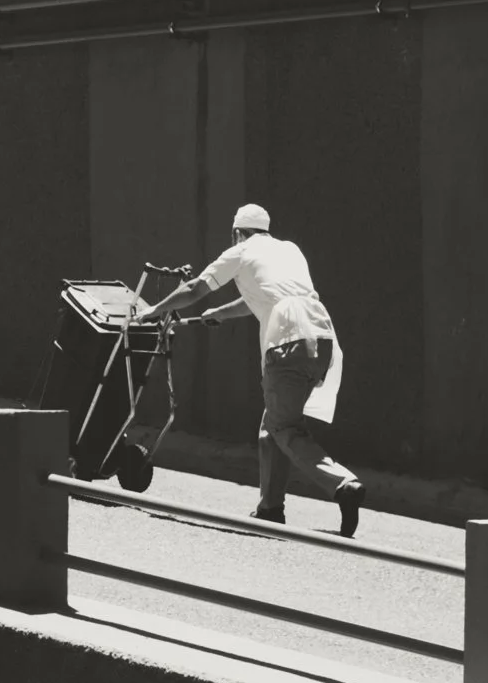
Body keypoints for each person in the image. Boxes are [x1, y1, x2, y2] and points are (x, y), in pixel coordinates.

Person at [133, 204, 367, 537]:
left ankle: (343, 484)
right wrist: (221, 313)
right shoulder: (289, 250)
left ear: (238, 233)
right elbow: (263, 298)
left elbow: (194, 288)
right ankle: (270, 509)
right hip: (323, 337)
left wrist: (154, 311)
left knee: (283, 427)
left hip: (288, 339)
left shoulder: (239, 252)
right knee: (272, 425)